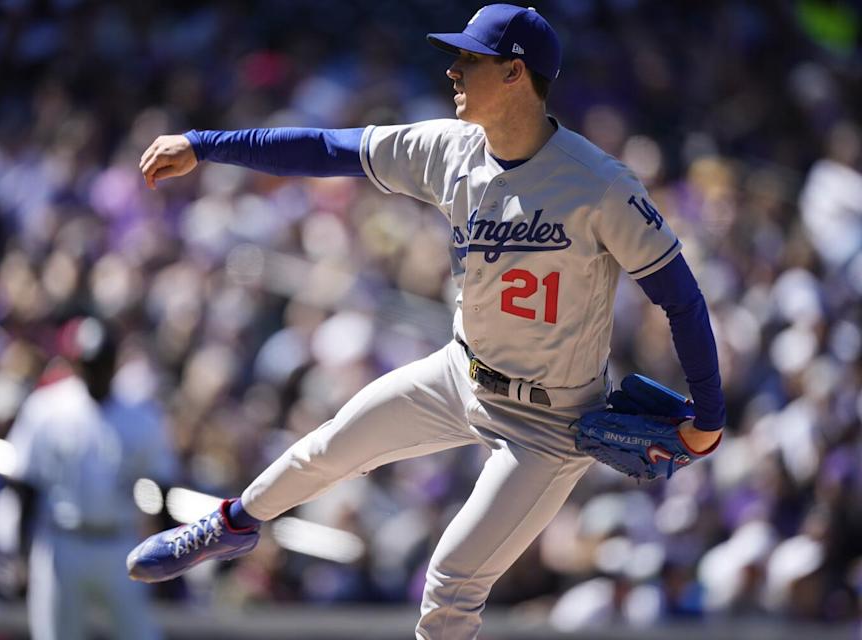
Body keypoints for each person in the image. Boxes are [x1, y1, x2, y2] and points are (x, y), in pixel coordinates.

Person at [127, 5, 725, 638]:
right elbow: (330, 149)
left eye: (469, 59)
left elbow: (681, 299)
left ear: (516, 73)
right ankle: (233, 524)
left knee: (449, 586)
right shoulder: (449, 148)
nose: (452, 70)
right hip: (460, 373)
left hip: (551, 423)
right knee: (332, 445)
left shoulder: (600, 185)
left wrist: (710, 419)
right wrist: (204, 145)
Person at [7, 317, 177, 640]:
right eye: (89, 363)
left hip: (119, 541)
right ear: (75, 362)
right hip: (61, 539)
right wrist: (20, 551)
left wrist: (166, 554)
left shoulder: (139, 413)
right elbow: (25, 483)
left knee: (140, 634)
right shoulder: (47, 406)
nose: (96, 371)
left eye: (102, 363)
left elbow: (160, 485)